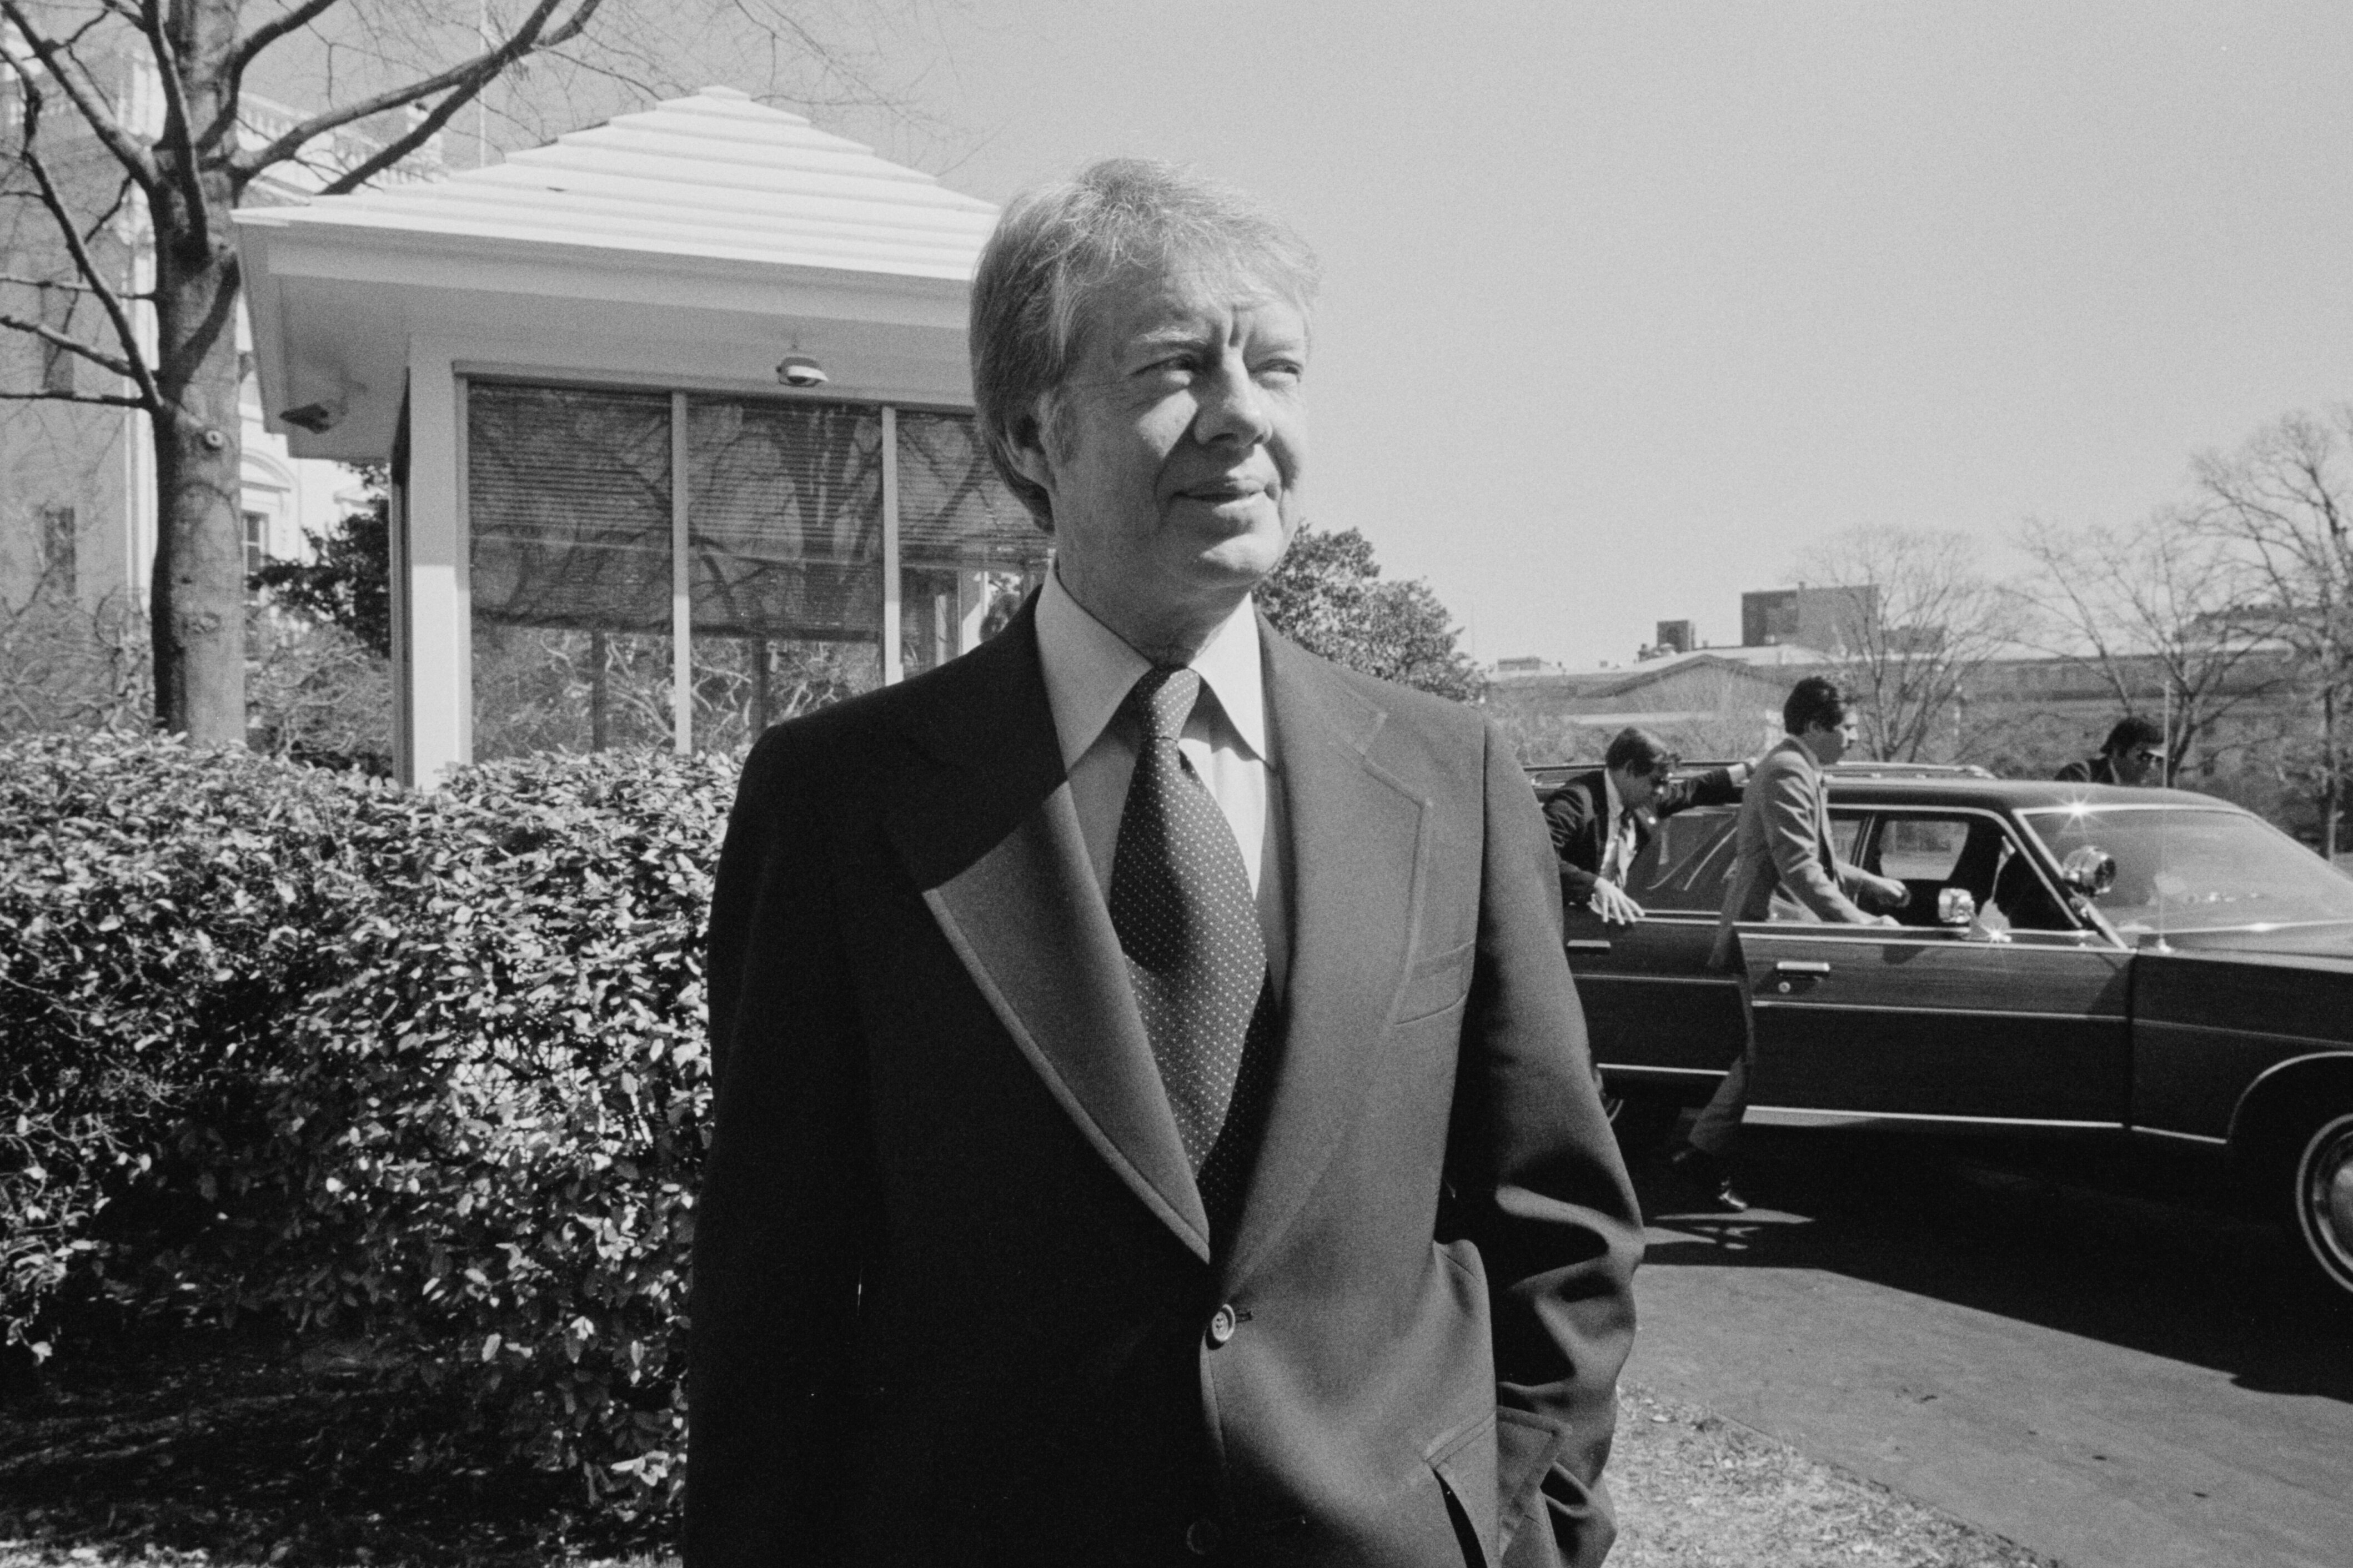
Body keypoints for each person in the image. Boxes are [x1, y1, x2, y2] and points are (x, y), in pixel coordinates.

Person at [686, 159, 1643, 1568]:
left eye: (1275, 366)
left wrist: (1525, 1534)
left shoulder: (1457, 781)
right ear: (1031, 432)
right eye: (1175, 366)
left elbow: (1560, 1226)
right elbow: (773, 1294)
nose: (1243, 412)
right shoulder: (841, 802)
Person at [1668, 676, 1907, 1211]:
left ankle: (1703, 1154)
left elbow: (1807, 854)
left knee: (1765, 1053)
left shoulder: (1800, 768)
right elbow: (1796, 866)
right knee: (1763, 1055)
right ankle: (1701, 1156)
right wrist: (1862, 926)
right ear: (1816, 726)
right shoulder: (1787, 770)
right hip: (1766, 934)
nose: (1854, 738)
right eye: (1847, 728)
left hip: (1779, 931)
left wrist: (1870, 884)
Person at [1542, 727, 1750, 924]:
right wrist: (1594, 885)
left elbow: (1695, 790)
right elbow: (1537, 856)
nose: (1661, 792)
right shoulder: (1576, 801)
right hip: (1572, 928)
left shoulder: (1643, 798)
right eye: (1657, 782)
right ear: (1630, 769)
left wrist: (1750, 768)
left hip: (1620, 925)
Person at [2055, 715, 2164, 786]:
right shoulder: (2082, 776)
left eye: (2158, 759)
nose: (2151, 766)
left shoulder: (2156, 788)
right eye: (2144, 756)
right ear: (2117, 750)